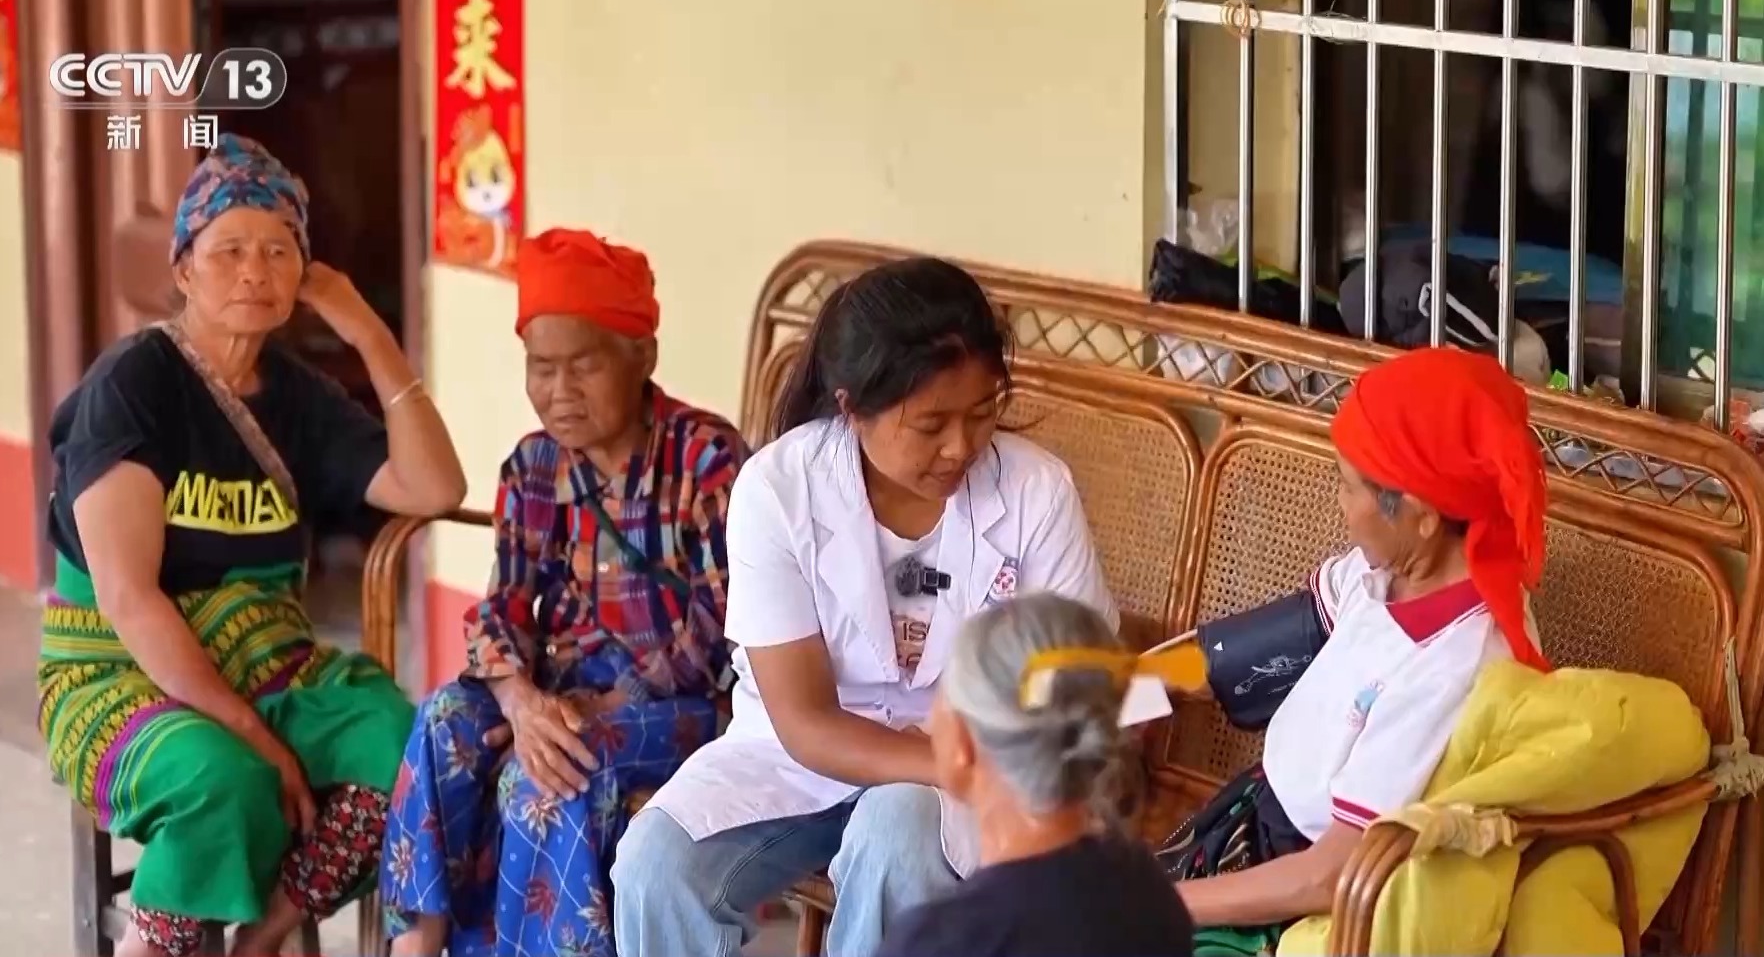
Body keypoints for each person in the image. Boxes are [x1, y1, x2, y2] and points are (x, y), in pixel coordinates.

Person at [610, 257, 1126, 957]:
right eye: (931, 424)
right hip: (799, 758)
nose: (961, 447)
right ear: (851, 409)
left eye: (982, 413)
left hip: (978, 760)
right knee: (656, 866)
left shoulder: (1036, 491)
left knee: (898, 833)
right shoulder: (779, 489)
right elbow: (805, 723)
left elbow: (1085, 679)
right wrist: (948, 761)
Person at [38, 134, 467, 957]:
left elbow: (434, 487)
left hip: (267, 665)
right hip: (120, 671)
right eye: (228, 250)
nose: (253, 271)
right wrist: (256, 735)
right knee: (223, 778)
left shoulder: (300, 398)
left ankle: (263, 937)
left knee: (402, 748)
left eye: (278, 251)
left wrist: (367, 332)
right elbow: (128, 597)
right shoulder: (134, 384)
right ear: (184, 269)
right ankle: (154, 942)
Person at [380, 227, 750, 957]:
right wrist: (520, 700)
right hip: (559, 688)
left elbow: (724, 626)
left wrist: (602, 704)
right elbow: (505, 606)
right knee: (445, 719)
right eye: (541, 368)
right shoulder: (534, 466)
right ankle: (415, 948)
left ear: (642, 356)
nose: (559, 391)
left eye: (583, 366)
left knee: (548, 772)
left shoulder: (705, 458)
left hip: (687, 705)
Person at [1147, 346, 1550, 954]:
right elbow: (1242, 658)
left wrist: (1156, 903)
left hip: (1296, 902)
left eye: (1346, 484)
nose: (1339, 503)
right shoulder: (1386, 574)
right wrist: (1117, 687)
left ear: (1419, 515)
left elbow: (1331, 874)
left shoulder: (1457, 668)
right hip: (1246, 824)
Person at [875, 592, 1196, 957]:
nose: (930, 719)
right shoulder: (1152, 895)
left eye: (944, 697)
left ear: (964, 742)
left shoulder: (936, 943)